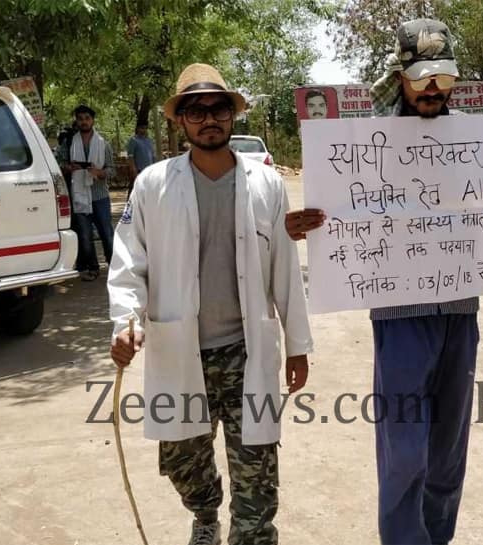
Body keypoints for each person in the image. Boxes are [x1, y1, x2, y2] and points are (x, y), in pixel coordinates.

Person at [285, 19, 483, 545]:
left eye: (444, 80)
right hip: (399, 319)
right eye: (423, 78)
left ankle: (436, 536)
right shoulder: (365, 141)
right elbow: (336, 215)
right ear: (401, 76)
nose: (433, 90)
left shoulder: (479, 143)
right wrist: (301, 226)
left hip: (460, 314)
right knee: (404, 450)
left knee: (448, 451)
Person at [108, 63, 313, 545]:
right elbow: (128, 263)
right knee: (182, 462)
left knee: (257, 475)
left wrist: (298, 345)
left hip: (248, 353)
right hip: (181, 351)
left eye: (218, 108)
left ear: (232, 115)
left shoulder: (267, 185)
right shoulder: (153, 185)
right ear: (180, 121)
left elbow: (284, 268)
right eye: (195, 110)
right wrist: (126, 321)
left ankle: (251, 533)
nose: (208, 119)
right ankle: (204, 515)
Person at [58, 105, 115, 281]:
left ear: (92, 120)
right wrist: (69, 167)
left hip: (99, 196)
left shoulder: (103, 143)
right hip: (79, 195)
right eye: (80, 118)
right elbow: (60, 165)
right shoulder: (69, 143)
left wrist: (100, 173)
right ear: (77, 121)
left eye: (87, 118)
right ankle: (92, 268)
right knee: (85, 235)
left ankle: (114, 267)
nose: (84, 122)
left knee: (106, 233)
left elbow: (112, 170)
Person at [125, 121, 156, 198]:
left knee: (148, 192)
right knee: (134, 192)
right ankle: (130, 208)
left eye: (145, 128)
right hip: (138, 171)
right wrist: (133, 170)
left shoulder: (149, 140)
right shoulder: (133, 140)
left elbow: (153, 156)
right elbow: (130, 157)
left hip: (149, 172)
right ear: (138, 129)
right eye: (142, 128)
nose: (144, 130)